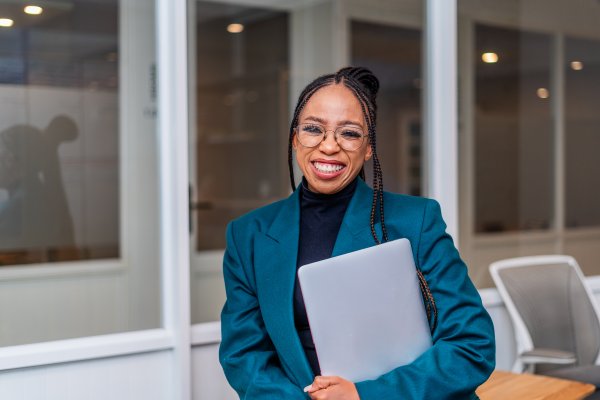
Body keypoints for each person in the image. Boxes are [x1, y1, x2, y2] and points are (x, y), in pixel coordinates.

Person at [219, 67, 495, 399]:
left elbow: (471, 345)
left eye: (349, 133)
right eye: (312, 129)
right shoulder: (249, 235)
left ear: (368, 148)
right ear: (295, 138)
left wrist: (364, 395)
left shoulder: (417, 220)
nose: (329, 146)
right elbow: (244, 356)